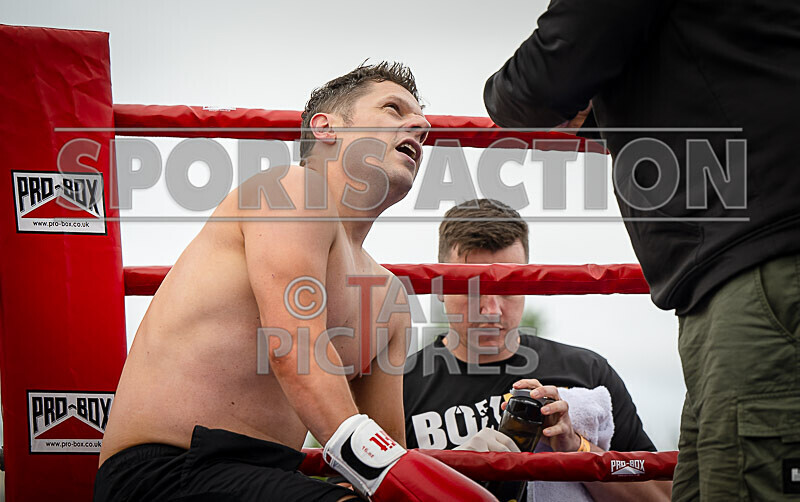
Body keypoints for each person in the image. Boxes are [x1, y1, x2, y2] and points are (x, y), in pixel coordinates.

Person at [95, 62, 496, 502]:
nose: (419, 127)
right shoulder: (290, 190)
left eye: (420, 124)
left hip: (268, 478)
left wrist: (460, 461)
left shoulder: (387, 298)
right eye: (393, 109)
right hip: (168, 470)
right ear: (326, 129)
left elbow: (386, 461)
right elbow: (294, 346)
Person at [483, 3, 800, 500]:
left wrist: (561, 93)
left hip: (759, 262)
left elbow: (539, 81)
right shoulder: (416, 373)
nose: (489, 303)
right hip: (736, 269)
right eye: (471, 283)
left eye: (502, 283)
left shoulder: (588, 373)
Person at [403, 199, 671, 501]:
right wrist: (451, 470)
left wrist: (577, 449)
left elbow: (660, 495)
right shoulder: (401, 385)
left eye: (508, 286)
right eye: (471, 286)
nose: (491, 309)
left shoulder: (587, 371)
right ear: (439, 288)